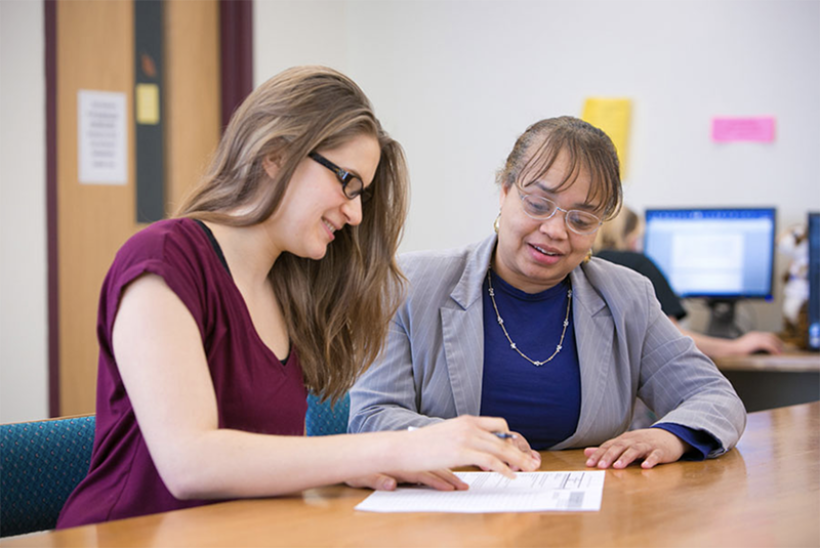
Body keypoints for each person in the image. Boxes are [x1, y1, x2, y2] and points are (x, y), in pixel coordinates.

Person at [57, 66, 538, 528]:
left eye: (361, 195)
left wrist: (348, 468)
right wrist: (399, 448)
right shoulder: (163, 258)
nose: (353, 214)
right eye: (347, 183)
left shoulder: (288, 289)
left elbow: (260, 453)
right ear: (276, 155)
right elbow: (190, 463)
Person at [349, 116, 746, 471]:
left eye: (581, 219)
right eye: (538, 204)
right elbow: (372, 415)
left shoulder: (627, 297)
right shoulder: (410, 283)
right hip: (450, 513)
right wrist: (456, 440)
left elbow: (714, 396)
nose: (556, 231)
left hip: (588, 516)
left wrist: (670, 436)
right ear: (504, 192)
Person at [594, 207, 784, 358]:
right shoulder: (638, 264)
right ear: (632, 239)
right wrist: (737, 346)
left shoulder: (585, 267)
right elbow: (671, 338)